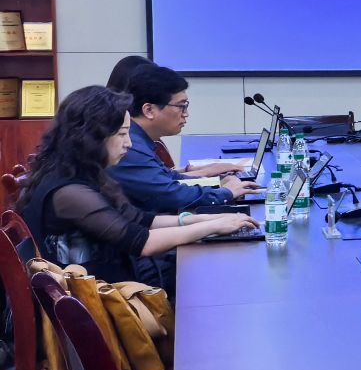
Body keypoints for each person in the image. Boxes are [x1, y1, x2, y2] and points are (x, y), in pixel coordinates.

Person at [20, 87, 256, 287]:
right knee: (206, 272)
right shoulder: (70, 193)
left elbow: (141, 219)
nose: (129, 144)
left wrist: (205, 219)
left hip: (109, 275)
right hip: (100, 291)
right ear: (93, 136)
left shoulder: (82, 170)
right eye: (122, 134)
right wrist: (212, 226)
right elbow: (142, 242)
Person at [111, 62, 256, 213]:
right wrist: (225, 192)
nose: (186, 114)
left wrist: (218, 183)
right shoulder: (130, 146)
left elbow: (170, 178)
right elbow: (170, 195)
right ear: (149, 110)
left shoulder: (140, 139)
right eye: (181, 106)